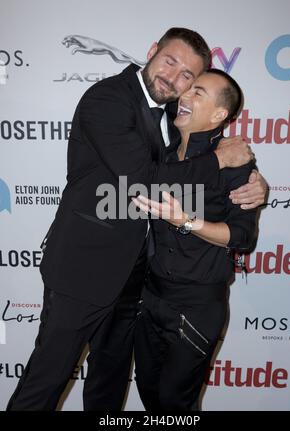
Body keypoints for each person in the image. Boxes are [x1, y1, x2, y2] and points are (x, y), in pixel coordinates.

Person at [7, 28, 265, 411]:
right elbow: (145, 180)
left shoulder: (173, 123)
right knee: (47, 379)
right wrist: (219, 162)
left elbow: (198, 183)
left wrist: (256, 184)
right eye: (169, 62)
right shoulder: (108, 99)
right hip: (83, 270)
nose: (174, 79)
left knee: (107, 387)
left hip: (134, 280)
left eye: (188, 78)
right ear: (151, 52)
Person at [132, 68, 259, 411]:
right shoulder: (161, 154)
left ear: (219, 115)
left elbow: (243, 238)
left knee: (177, 403)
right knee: (150, 396)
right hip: (151, 297)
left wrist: (185, 221)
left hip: (196, 306)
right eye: (187, 90)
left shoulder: (236, 163)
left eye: (198, 92)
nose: (184, 96)